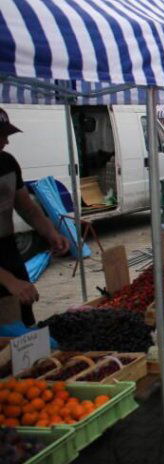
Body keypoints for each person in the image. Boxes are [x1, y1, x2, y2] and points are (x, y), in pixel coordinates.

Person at [0, 109, 69, 325]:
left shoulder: (8, 163)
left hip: (8, 250)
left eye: (6, 135)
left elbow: (28, 208)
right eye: (0, 136)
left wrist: (51, 233)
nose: (6, 142)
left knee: (24, 319)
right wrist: (9, 281)